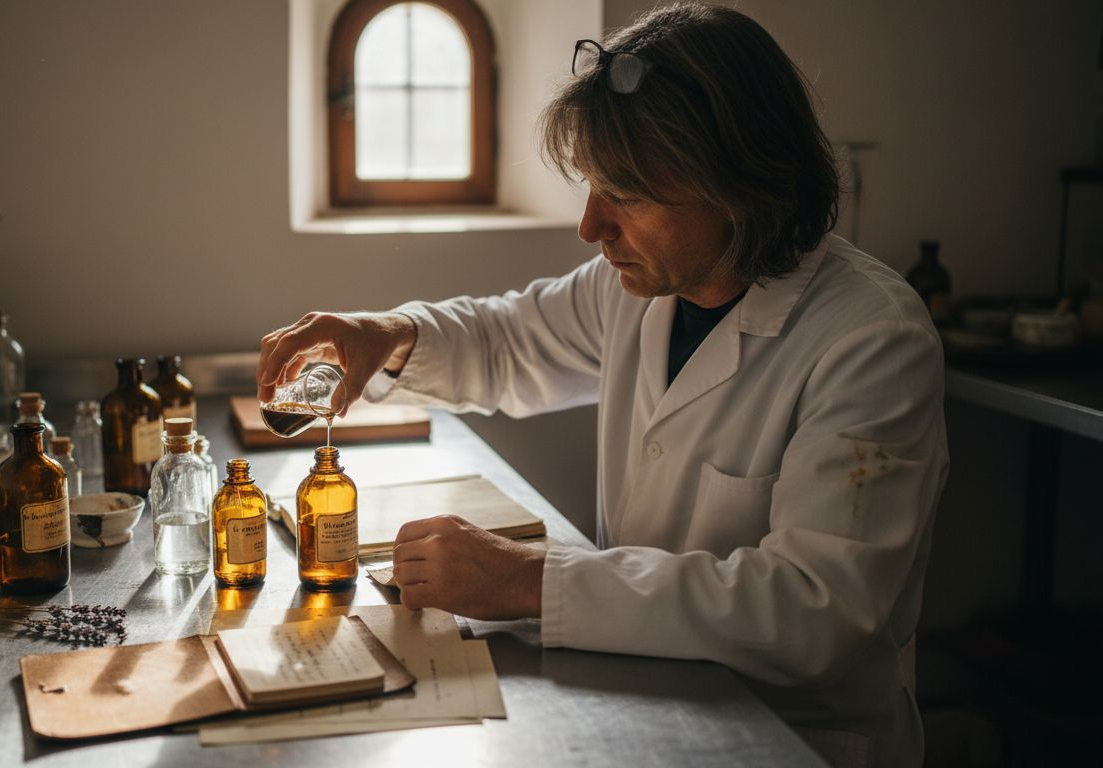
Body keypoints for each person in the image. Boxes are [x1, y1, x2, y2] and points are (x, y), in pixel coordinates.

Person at [256, 4, 946, 766]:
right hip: (645, 702)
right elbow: (507, 341)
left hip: (794, 741)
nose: (591, 226)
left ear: (739, 186)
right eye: (592, 185)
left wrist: (527, 580)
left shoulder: (871, 339)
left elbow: (811, 611)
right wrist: (383, 333)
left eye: (626, 192)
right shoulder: (638, 289)